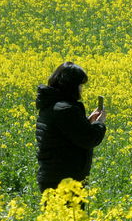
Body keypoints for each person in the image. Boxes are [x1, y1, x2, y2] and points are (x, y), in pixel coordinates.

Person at [35, 62, 107, 193]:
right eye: (80, 85)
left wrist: (87, 122)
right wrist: (99, 123)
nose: (81, 89)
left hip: (52, 176)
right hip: (65, 180)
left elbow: (67, 134)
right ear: (72, 86)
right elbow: (88, 139)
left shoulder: (50, 104)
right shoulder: (66, 110)